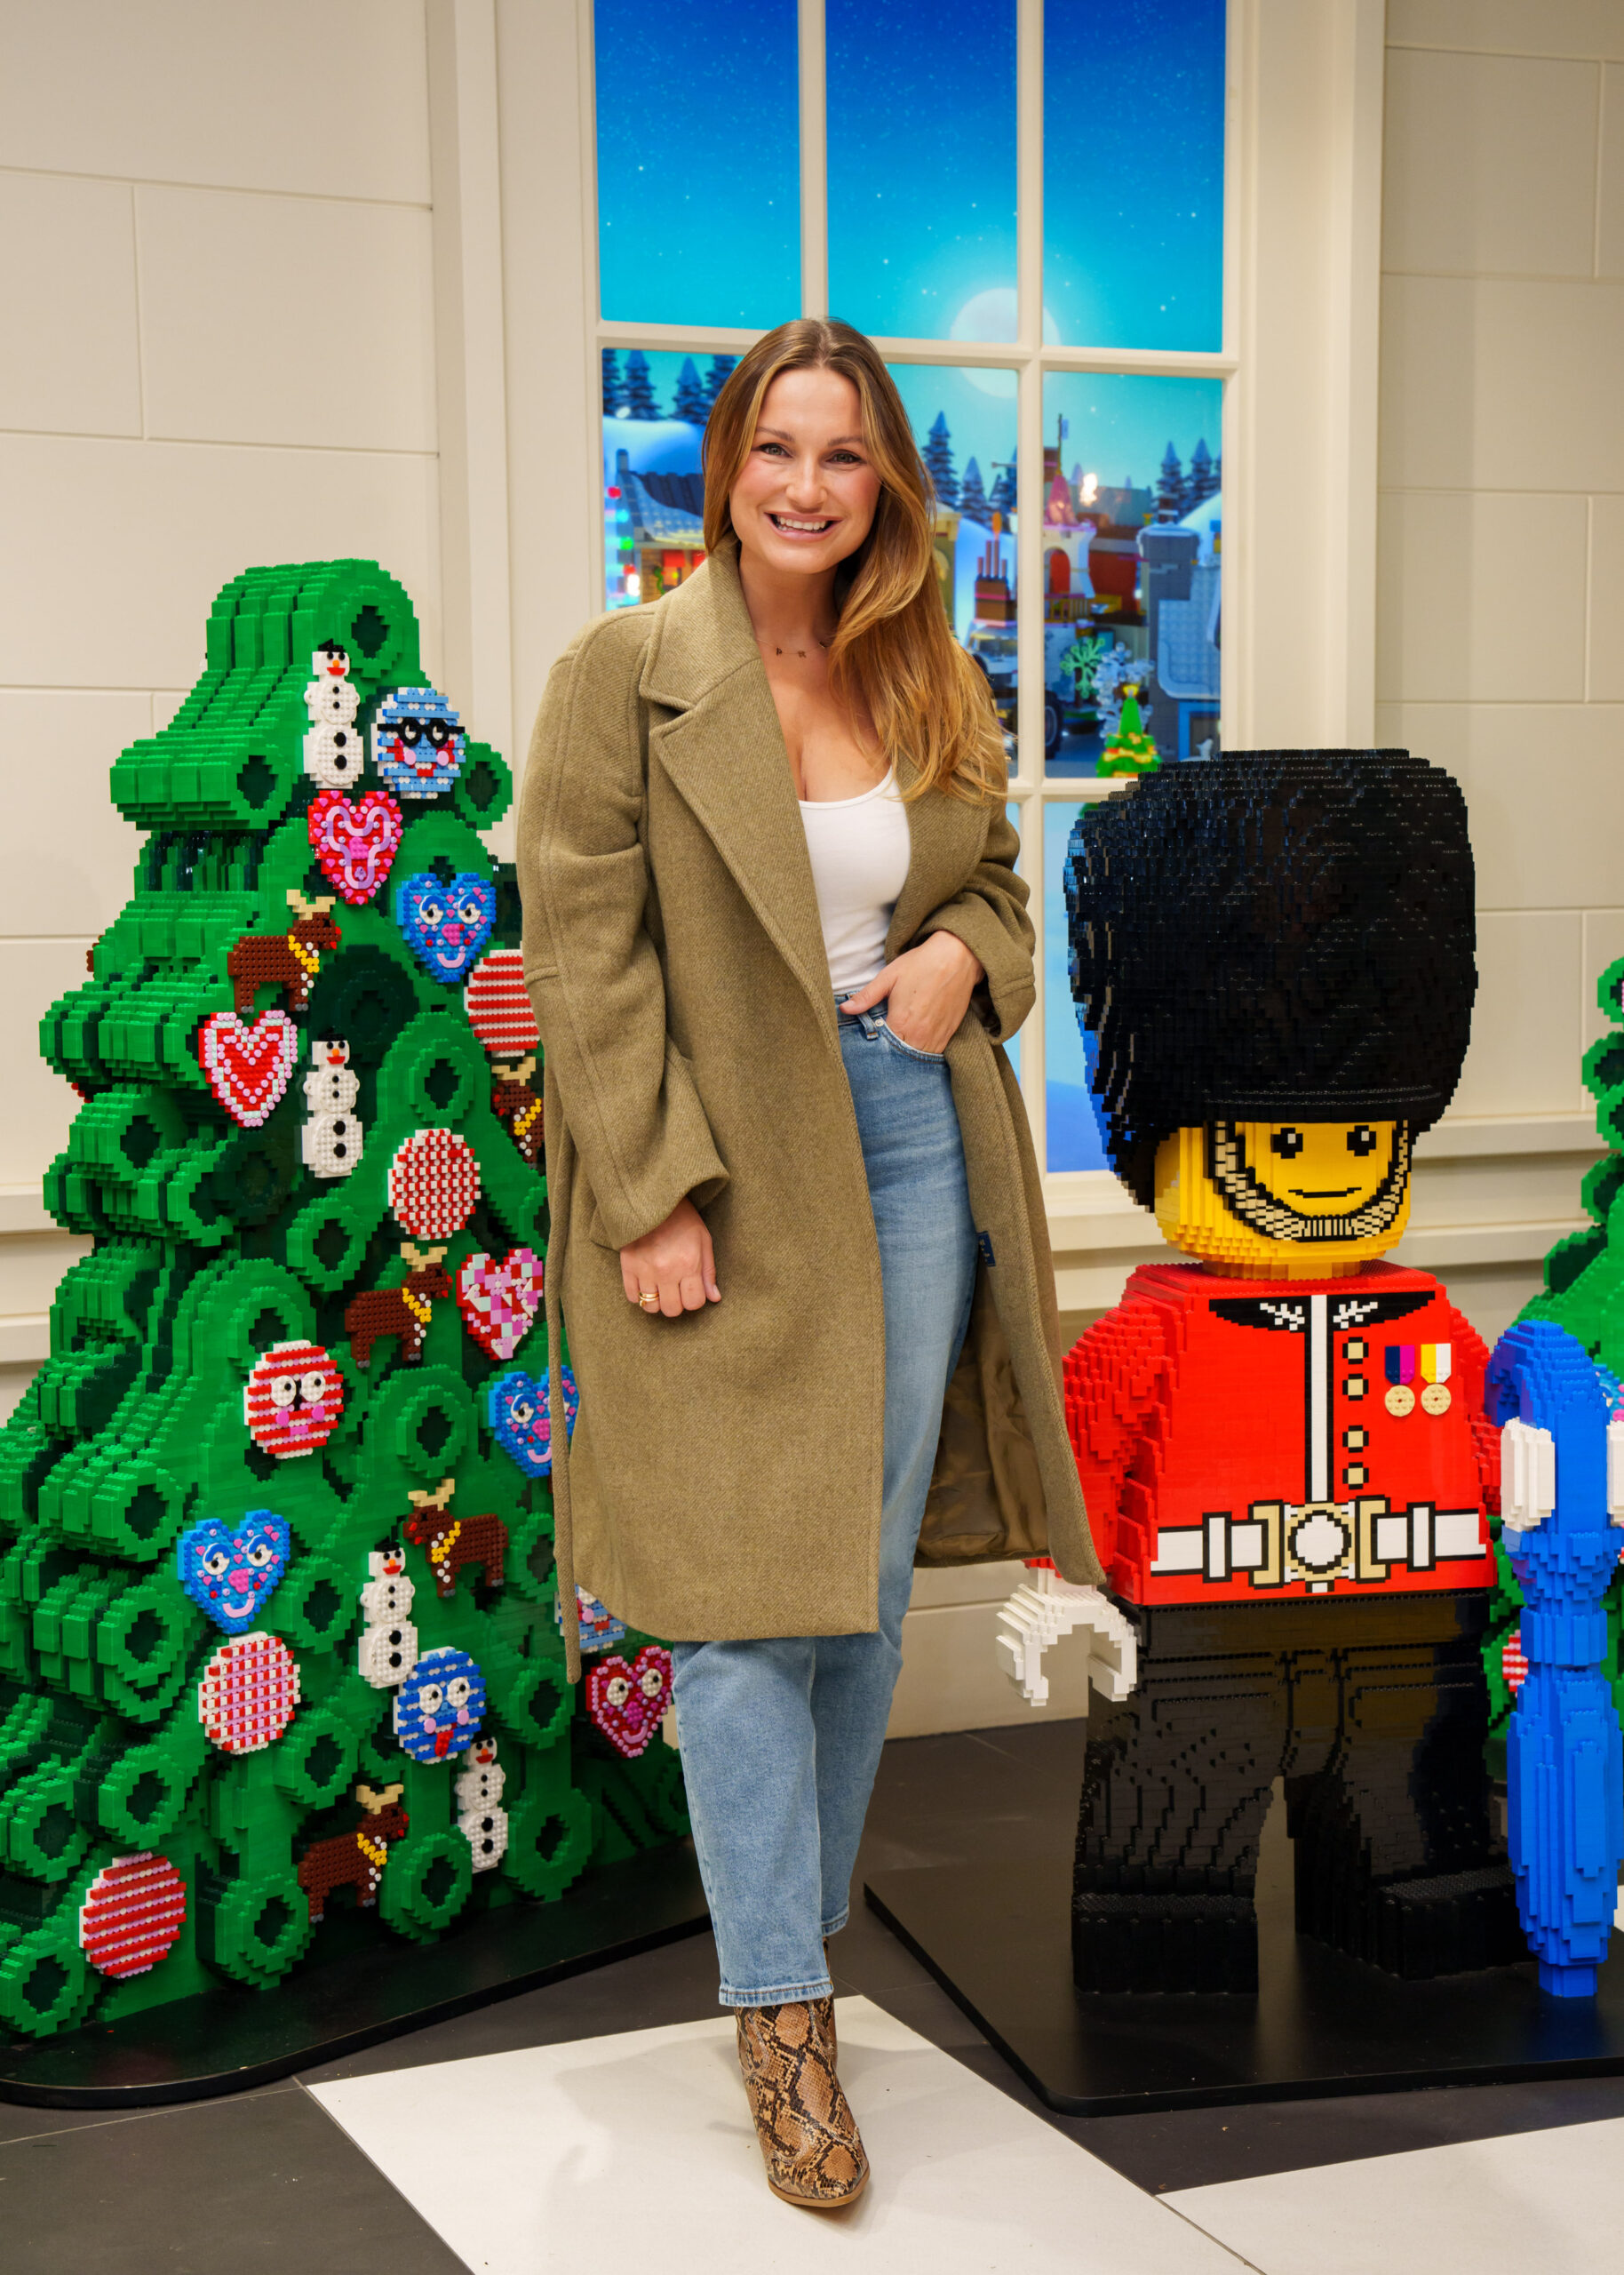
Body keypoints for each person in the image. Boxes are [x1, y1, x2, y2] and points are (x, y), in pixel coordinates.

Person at [517, 317, 1098, 2211]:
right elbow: (582, 950)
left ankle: (793, 1944)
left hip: (911, 1144)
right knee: (733, 1595)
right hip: (715, 1157)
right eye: (778, 445)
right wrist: (649, 1192)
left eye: (843, 455)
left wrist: (960, 967)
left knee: (842, 1578)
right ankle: (779, 2007)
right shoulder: (623, 672)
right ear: (725, 463)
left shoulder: (921, 668)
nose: (805, 484)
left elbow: (994, 892)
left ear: (884, 486)